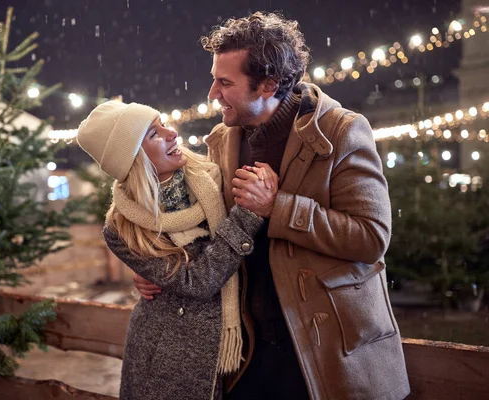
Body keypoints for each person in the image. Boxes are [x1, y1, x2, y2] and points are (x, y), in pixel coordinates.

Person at [133, 11, 411, 400]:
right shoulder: (220, 139)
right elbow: (210, 227)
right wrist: (164, 268)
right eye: (214, 78)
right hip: (247, 350)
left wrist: (277, 207)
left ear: (269, 84)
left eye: (225, 82)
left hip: (324, 349)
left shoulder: (343, 131)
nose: (212, 93)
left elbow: (371, 238)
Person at [76, 100, 270, 400]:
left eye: (164, 123)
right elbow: (197, 282)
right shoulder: (123, 228)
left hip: (240, 344)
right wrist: (248, 216)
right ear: (133, 160)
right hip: (165, 363)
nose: (171, 133)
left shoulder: (215, 176)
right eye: (154, 134)